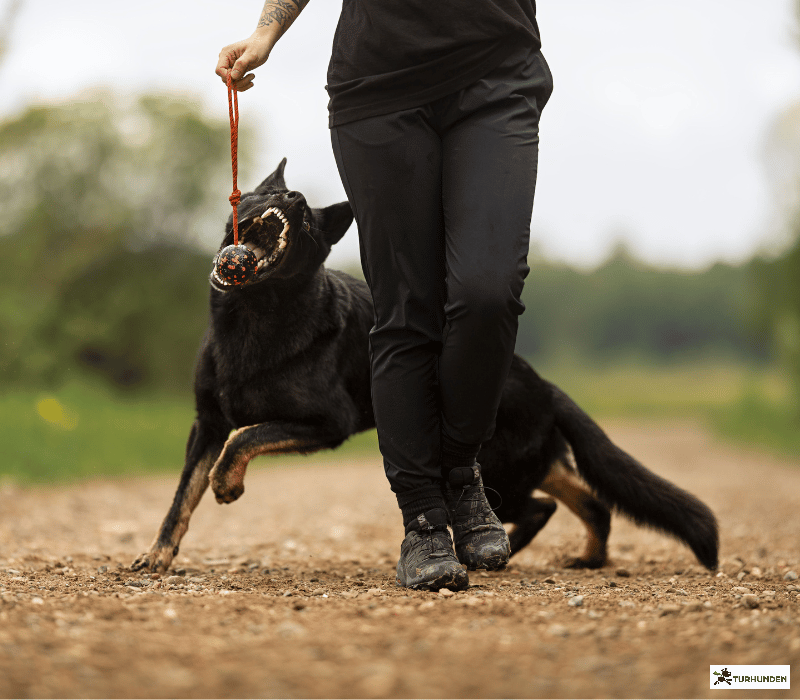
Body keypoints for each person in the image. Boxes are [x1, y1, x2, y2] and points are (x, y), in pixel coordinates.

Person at [216, 0, 552, 592]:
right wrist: (267, 32)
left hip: (497, 71)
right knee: (405, 308)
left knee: (487, 293)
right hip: (380, 89)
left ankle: (459, 467)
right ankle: (423, 518)